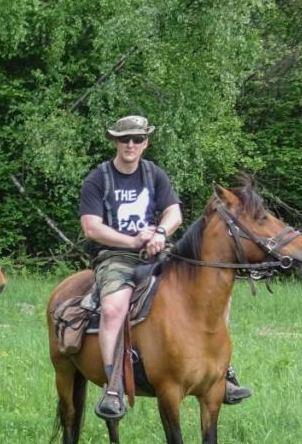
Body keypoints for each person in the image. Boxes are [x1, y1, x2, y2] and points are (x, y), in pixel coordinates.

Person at [79, 115, 251, 419]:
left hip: (157, 251)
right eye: (124, 139)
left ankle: (223, 372)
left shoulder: (153, 174)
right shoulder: (98, 178)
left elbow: (174, 212)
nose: (130, 144)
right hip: (115, 256)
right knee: (113, 308)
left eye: (137, 139)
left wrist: (160, 233)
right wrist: (132, 241)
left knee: (213, 294)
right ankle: (114, 385)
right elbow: (91, 228)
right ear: (115, 141)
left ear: (146, 142)